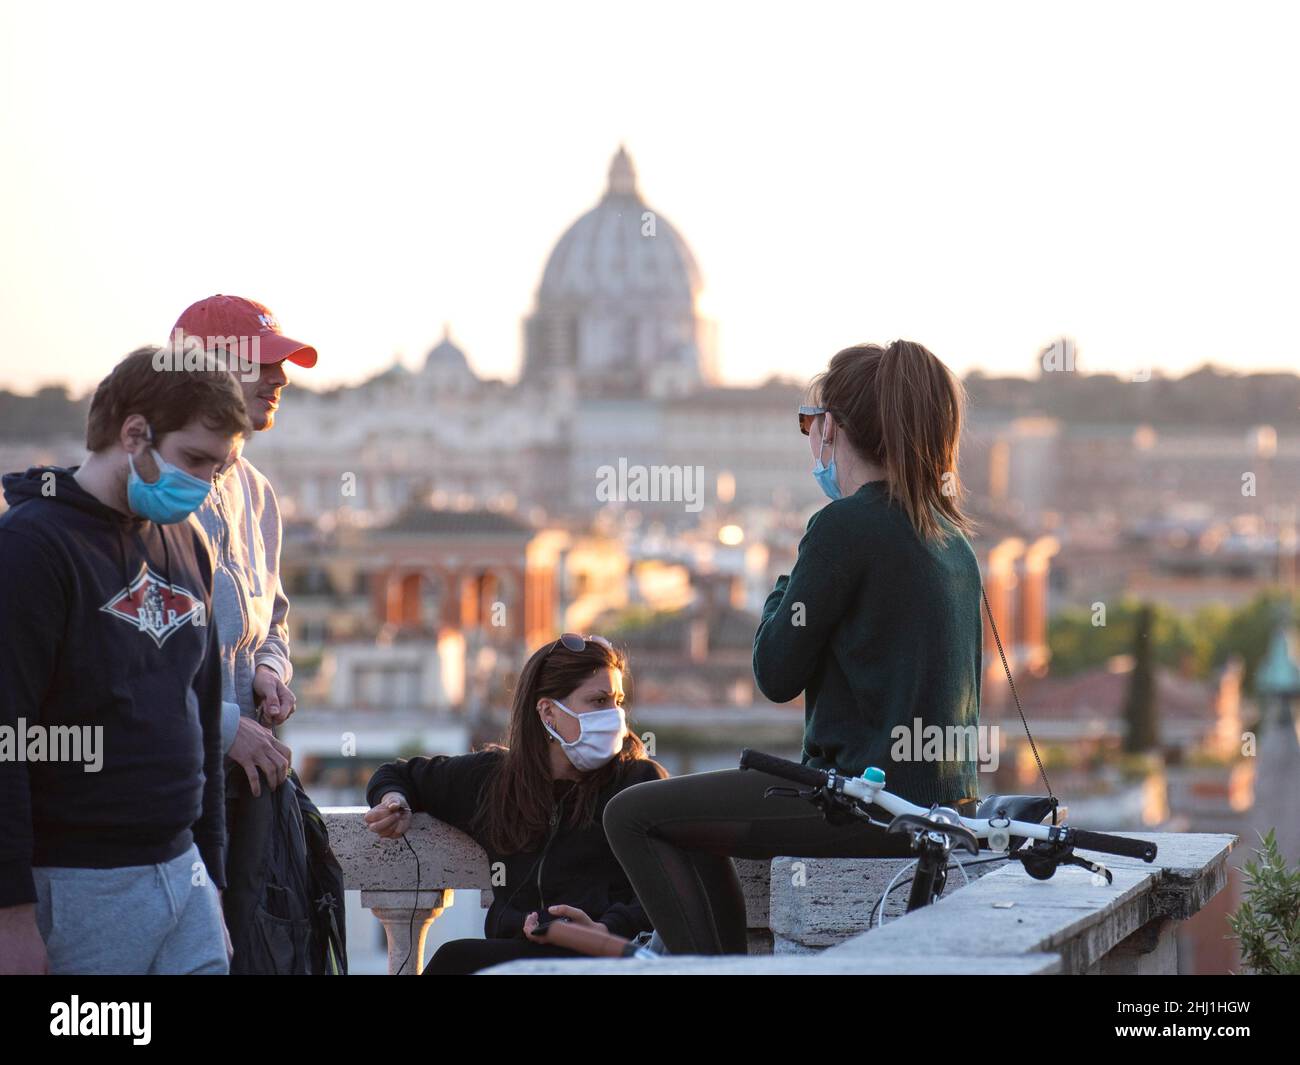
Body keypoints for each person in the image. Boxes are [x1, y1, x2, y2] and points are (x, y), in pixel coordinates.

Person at [602, 339, 985, 955]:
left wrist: (782, 585)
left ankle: (708, 973)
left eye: (810, 423)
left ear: (832, 428)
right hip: (940, 806)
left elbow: (775, 672)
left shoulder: (845, 526)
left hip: (864, 808)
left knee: (632, 815)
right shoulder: (950, 537)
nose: (811, 437)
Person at [0, 346, 252, 974]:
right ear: (134, 433)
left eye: (217, 469)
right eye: (194, 459)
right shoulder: (31, 548)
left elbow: (199, 718)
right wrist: (10, 917)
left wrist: (211, 880)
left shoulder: (186, 542)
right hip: (77, 886)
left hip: (183, 878)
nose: (202, 485)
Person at [364, 634, 666, 974]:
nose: (614, 716)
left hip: (606, 956)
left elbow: (670, 885)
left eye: (617, 701)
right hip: (523, 953)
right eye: (598, 701)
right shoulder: (494, 780)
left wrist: (606, 927)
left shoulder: (638, 781)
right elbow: (398, 773)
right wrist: (394, 801)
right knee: (454, 960)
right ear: (549, 712)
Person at [172, 294, 317, 796]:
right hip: (165, 789)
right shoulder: (146, 496)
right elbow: (121, 664)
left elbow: (273, 621)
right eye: (261, 363)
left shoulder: (257, 492)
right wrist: (226, 727)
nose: (281, 378)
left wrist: (268, 668)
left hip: (243, 787)